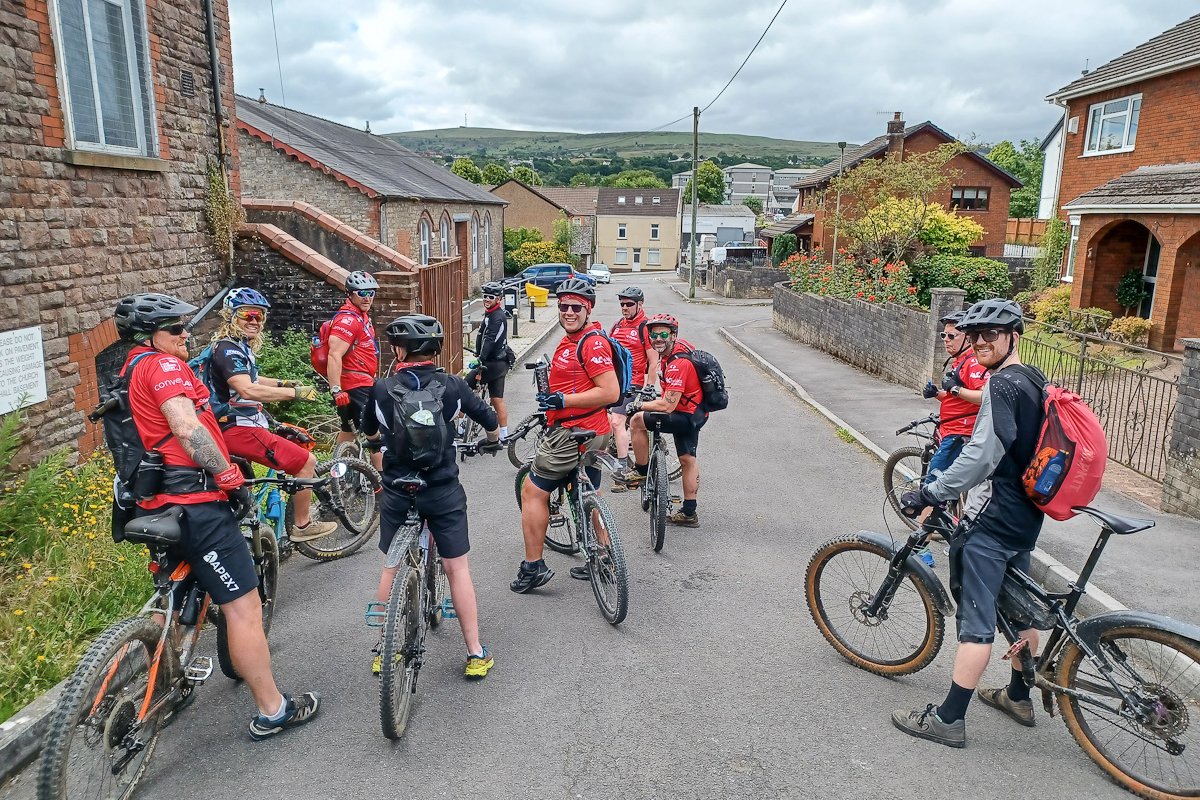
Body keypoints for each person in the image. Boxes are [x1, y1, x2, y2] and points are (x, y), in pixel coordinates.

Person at [113, 293, 320, 740]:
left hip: (153, 501)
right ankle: (273, 709)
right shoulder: (163, 366)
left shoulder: (129, 367)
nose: (187, 334)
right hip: (194, 504)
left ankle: (159, 678)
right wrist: (227, 474)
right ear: (150, 336)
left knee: (172, 594)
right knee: (243, 609)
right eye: (176, 329)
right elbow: (186, 427)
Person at [893, 298, 1047, 749]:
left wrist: (931, 490)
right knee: (1017, 607)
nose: (980, 341)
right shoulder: (1032, 377)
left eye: (991, 334)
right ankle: (1019, 697)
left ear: (1013, 336)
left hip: (994, 514)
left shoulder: (1002, 386)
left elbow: (981, 456)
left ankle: (948, 719)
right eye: (974, 333)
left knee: (977, 622)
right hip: (1026, 511)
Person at [362, 314, 500, 679]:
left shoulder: (380, 389)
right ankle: (474, 652)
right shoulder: (453, 386)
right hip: (441, 490)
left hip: (397, 490)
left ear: (398, 349)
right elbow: (488, 419)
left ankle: (384, 649)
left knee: (391, 564)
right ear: (436, 349)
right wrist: (492, 441)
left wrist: (379, 445)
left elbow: (370, 432)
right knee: (457, 569)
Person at [205, 287, 336, 545]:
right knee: (306, 461)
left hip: (241, 424)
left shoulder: (237, 346)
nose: (254, 320)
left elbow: (251, 378)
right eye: (247, 314)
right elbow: (247, 388)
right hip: (237, 428)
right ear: (231, 315)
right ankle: (302, 525)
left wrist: (282, 382)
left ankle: (252, 522)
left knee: (284, 450)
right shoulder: (228, 350)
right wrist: (293, 394)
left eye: (259, 316)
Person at [512, 278, 619, 591]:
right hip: (591, 430)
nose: (569, 312)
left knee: (532, 492)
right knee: (588, 494)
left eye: (576, 307)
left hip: (572, 433)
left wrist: (563, 401)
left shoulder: (591, 342)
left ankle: (533, 567)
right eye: (563, 306)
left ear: (588, 309)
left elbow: (610, 392)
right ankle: (602, 557)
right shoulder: (573, 339)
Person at [913, 310, 988, 566]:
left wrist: (955, 388)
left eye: (952, 336)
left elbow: (983, 396)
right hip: (951, 429)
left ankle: (919, 549)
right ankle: (952, 533)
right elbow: (957, 398)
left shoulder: (974, 364)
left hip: (959, 434)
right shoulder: (960, 361)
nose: (946, 340)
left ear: (967, 337)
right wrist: (937, 394)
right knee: (951, 491)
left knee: (931, 488)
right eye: (944, 335)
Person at [618, 314, 706, 527]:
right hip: (697, 411)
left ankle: (640, 471)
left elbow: (668, 406)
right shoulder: (680, 348)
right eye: (653, 334)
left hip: (683, 414)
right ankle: (689, 513)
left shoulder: (677, 363)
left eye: (664, 334)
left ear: (673, 335)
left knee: (638, 421)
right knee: (687, 459)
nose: (658, 338)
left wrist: (637, 405)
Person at [327, 271, 380, 468]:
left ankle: (336, 476)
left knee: (348, 430)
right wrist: (336, 389)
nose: (367, 297)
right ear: (350, 294)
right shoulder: (348, 321)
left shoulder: (362, 316)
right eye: (362, 293)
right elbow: (334, 354)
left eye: (371, 293)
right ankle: (382, 486)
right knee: (376, 433)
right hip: (356, 385)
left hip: (362, 381)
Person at [607, 286, 658, 471]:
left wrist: (649, 387)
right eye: (622, 304)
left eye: (629, 304)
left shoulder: (645, 327)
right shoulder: (618, 325)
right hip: (614, 382)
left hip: (633, 383)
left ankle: (622, 471)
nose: (625, 308)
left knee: (617, 421)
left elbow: (653, 361)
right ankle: (615, 445)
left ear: (640, 304)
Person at [466, 280, 511, 438]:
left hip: (492, 364)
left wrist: (481, 359)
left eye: (491, 297)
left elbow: (490, 339)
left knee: (463, 387)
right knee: (497, 399)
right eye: (485, 296)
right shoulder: (492, 314)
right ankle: (504, 436)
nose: (487, 299)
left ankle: (460, 428)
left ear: (499, 299)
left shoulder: (496, 317)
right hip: (500, 362)